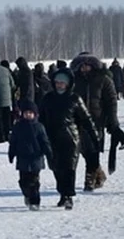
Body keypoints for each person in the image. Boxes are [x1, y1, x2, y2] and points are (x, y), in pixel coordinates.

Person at [40, 68, 99, 210]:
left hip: (71, 139)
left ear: (68, 84)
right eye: (57, 82)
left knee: (69, 168)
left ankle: (68, 196)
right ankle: (62, 193)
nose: (59, 85)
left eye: (62, 83)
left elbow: (86, 119)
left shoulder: (75, 98)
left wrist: (94, 135)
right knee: (56, 168)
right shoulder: (48, 99)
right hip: (52, 138)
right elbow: (41, 119)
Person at [71, 53, 124, 191]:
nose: (84, 68)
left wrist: (112, 122)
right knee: (83, 150)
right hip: (78, 121)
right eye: (81, 65)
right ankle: (99, 173)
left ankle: (89, 178)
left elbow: (111, 101)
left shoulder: (104, 80)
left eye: (87, 65)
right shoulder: (73, 81)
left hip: (97, 120)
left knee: (93, 150)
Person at [8, 100, 53, 211]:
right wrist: (11, 153)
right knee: (23, 182)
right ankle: (27, 195)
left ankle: (35, 201)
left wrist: (49, 153)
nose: (28, 115)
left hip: (35, 159)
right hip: (22, 158)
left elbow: (44, 141)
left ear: (35, 114)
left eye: (30, 113)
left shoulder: (39, 127)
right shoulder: (18, 127)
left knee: (34, 182)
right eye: (25, 113)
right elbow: (13, 141)